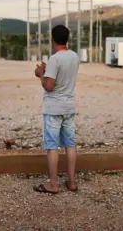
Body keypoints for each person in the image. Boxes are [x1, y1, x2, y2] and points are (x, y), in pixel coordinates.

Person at [33, 25, 79, 194]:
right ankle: (72, 182)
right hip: (69, 107)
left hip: (53, 108)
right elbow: (64, 76)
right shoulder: (74, 56)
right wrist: (48, 70)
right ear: (67, 38)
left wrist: (41, 74)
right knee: (70, 144)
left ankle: (53, 184)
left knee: (52, 146)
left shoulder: (54, 59)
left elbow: (49, 86)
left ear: (52, 39)